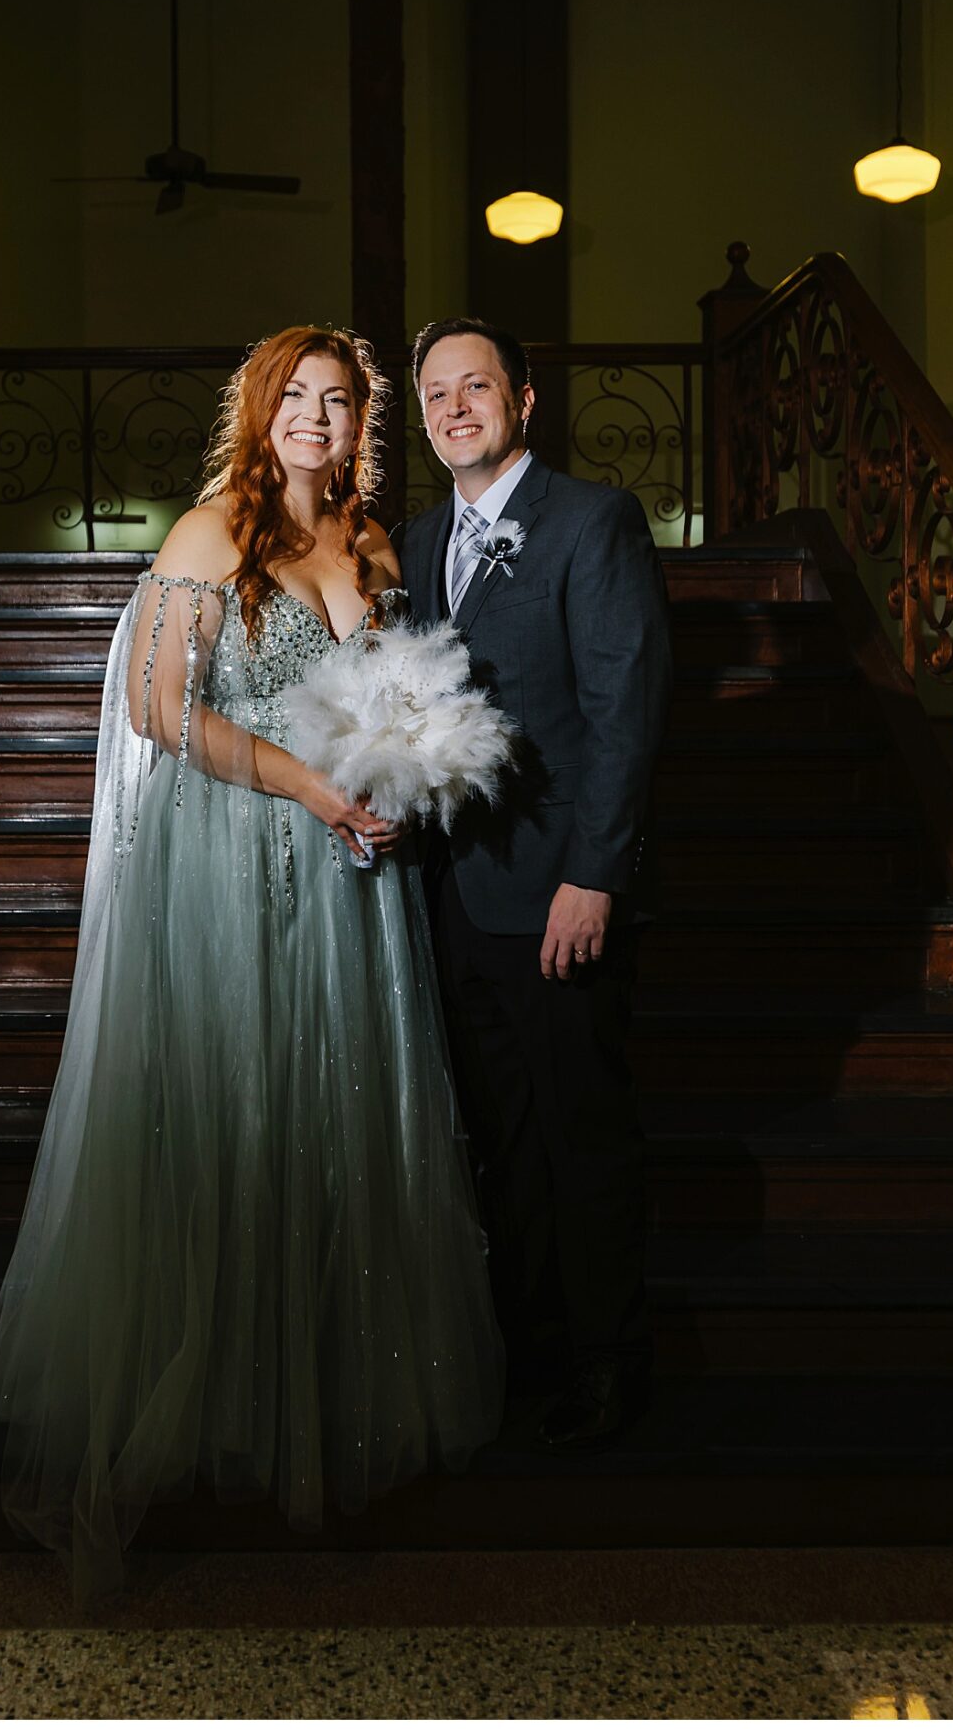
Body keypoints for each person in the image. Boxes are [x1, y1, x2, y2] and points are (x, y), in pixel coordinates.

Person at [0, 326, 505, 1607]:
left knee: (330, 1131)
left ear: (362, 422)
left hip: (345, 882)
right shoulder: (211, 534)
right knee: (218, 1129)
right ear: (259, 412)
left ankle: (299, 1435)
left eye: (338, 401)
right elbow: (159, 709)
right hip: (231, 862)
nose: (315, 418)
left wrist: (389, 776)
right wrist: (306, 782)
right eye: (295, 398)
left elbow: (392, 700)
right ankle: (110, 1486)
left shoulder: (369, 544)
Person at [396, 319, 672, 1450]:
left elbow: (625, 711)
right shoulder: (416, 542)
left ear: (523, 399)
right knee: (497, 1138)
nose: (456, 406)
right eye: (435, 393)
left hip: (557, 896)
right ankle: (525, 1349)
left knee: (579, 1133)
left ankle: (608, 1363)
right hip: (451, 893)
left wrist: (594, 876)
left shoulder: (591, 521)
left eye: (477, 385)